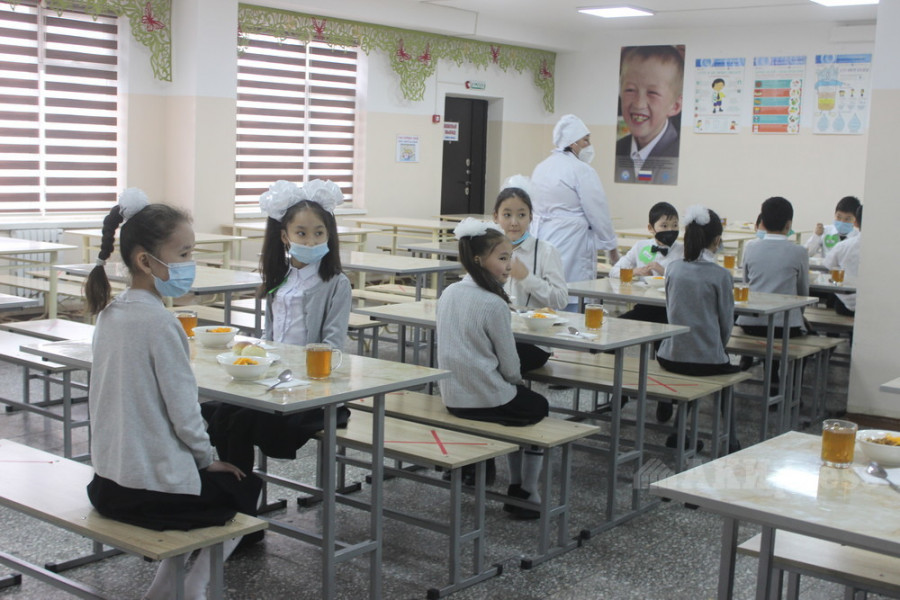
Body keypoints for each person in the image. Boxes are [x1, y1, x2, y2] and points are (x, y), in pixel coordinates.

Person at [83, 189, 262, 600]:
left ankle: (165, 588)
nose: (190, 264)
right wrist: (206, 459)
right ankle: (194, 587)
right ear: (145, 261)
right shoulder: (162, 324)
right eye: (183, 254)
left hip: (107, 485)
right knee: (244, 488)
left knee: (209, 482)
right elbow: (184, 412)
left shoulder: (110, 314)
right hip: (150, 494)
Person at [201, 179, 352, 476]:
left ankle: (239, 487)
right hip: (275, 379)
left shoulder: (336, 283)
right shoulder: (280, 278)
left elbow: (333, 345)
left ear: (329, 235)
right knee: (219, 411)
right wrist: (256, 352)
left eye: (319, 233)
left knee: (239, 419)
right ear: (285, 236)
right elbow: (270, 335)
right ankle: (231, 482)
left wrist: (294, 373)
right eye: (301, 233)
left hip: (311, 387)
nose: (311, 241)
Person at [436, 218, 550, 519]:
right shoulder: (493, 303)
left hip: (452, 396)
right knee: (537, 405)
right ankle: (524, 490)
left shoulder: (449, 292)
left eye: (510, 257)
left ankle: (515, 485)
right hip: (483, 399)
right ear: (478, 260)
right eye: (502, 258)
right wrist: (514, 382)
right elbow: (511, 369)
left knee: (529, 359)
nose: (509, 265)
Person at [657, 205, 740, 452]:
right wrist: (715, 346)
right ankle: (731, 441)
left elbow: (671, 310)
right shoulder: (721, 275)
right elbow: (726, 324)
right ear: (717, 241)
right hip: (706, 358)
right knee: (719, 373)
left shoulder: (673, 268)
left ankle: (679, 432)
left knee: (694, 372)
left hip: (670, 356)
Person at [530, 114, 619, 309]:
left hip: (541, 239)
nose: (589, 145)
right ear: (572, 143)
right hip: (573, 241)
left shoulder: (541, 167)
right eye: (585, 140)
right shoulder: (582, 170)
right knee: (573, 295)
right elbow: (598, 212)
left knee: (548, 293)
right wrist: (611, 247)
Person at [610, 201, 683, 422]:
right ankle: (619, 388)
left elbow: (686, 280)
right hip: (644, 307)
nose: (670, 230)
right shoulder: (641, 247)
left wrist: (665, 272)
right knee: (612, 331)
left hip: (670, 311)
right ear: (651, 228)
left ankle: (665, 398)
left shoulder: (682, 250)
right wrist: (635, 271)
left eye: (674, 225)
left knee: (665, 348)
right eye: (664, 226)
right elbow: (615, 271)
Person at [493, 175, 568, 371]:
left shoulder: (546, 251)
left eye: (521, 215)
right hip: (497, 334)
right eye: (507, 215)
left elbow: (561, 299)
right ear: (496, 217)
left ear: (531, 217)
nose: (514, 222)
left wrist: (526, 277)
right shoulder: (490, 251)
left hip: (534, 342)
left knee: (493, 361)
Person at [614, 45, 684, 185]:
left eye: (653, 93)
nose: (639, 104)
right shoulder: (619, 149)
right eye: (630, 90)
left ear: (675, 106)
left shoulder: (678, 155)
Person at [824, 204, 862, 317]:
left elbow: (827, 266)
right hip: (876, 303)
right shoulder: (887, 249)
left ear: (855, 223)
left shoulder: (843, 246)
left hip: (845, 304)